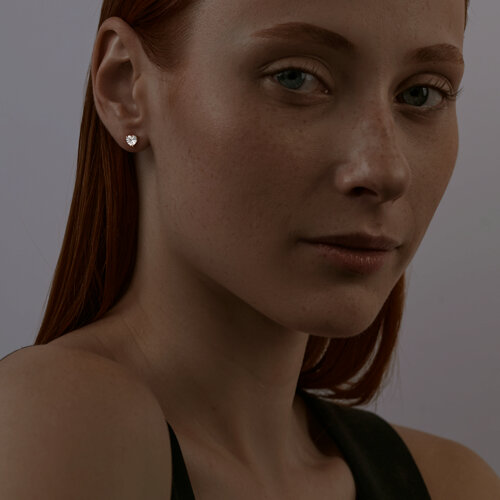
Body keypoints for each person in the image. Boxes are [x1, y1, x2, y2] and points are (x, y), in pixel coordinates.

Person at [2, 0, 499, 498]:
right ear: (125, 86)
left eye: (421, 93)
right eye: (295, 78)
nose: (386, 171)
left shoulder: (453, 484)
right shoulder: (63, 419)